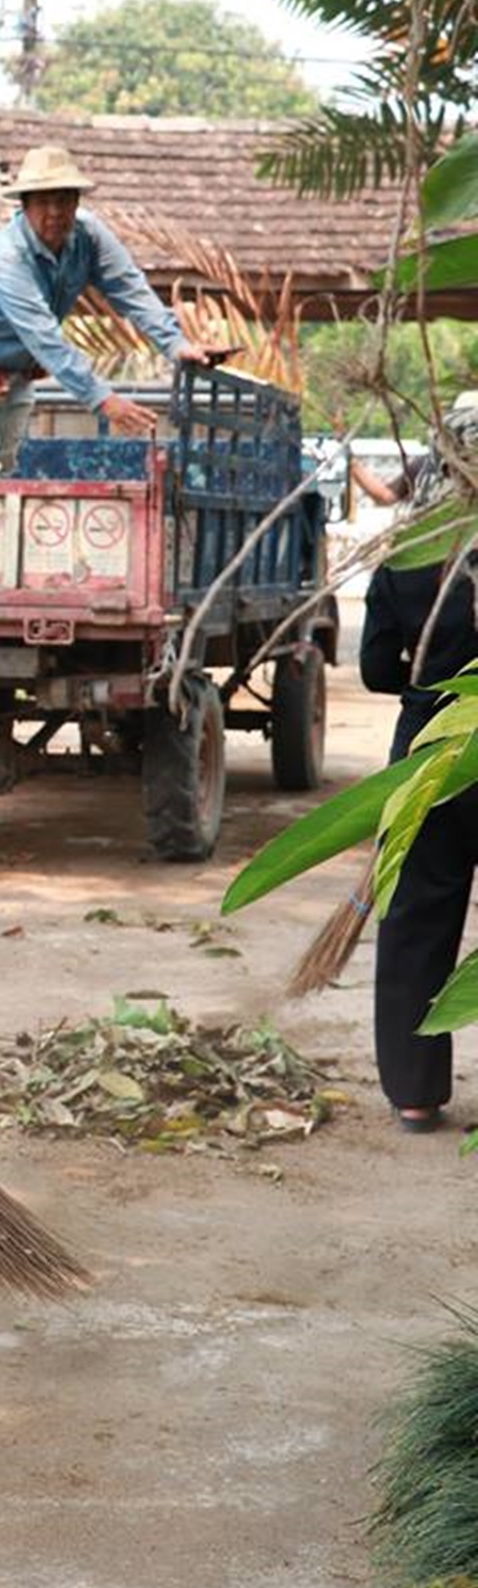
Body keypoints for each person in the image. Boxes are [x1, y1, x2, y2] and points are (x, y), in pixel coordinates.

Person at [0, 142, 211, 479]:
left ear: (76, 202)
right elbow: (45, 340)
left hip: (11, 363)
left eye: (63, 200)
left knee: (3, 465)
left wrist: (176, 345)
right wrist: (103, 400)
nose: (55, 212)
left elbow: (131, 290)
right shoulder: (7, 257)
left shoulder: (90, 237)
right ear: (25, 206)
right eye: (44, 202)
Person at [361, 396, 478, 1133]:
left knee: (417, 918)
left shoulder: (411, 550)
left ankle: (414, 1093)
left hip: (431, 753)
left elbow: (376, 669)